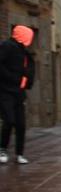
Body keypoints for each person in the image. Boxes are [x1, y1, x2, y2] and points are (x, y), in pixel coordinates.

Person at [0, 25, 35, 165]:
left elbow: (28, 68)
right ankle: (2, 149)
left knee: (21, 124)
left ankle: (20, 153)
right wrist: (13, 78)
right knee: (9, 120)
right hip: (5, 91)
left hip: (19, 93)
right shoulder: (7, 46)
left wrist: (26, 81)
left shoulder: (24, 51)